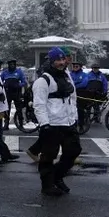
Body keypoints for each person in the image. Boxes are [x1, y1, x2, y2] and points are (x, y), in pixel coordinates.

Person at [32, 47, 81, 196]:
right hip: (52, 124)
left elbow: (73, 98)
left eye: (62, 59)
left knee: (73, 151)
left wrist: (75, 118)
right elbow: (39, 104)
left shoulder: (66, 75)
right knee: (48, 156)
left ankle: (57, 177)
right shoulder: (43, 80)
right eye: (57, 60)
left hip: (68, 123)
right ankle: (47, 185)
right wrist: (44, 124)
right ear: (51, 61)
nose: (61, 62)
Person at [0, 60, 27, 130]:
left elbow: (24, 82)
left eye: (13, 64)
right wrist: (4, 84)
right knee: (7, 109)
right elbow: (0, 81)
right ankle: (6, 125)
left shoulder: (19, 72)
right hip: (8, 92)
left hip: (17, 92)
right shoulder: (5, 72)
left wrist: (18, 85)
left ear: (15, 65)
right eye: (10, 64)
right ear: (8, 65)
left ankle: (21, 124)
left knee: (19, 109)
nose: (12, 66)